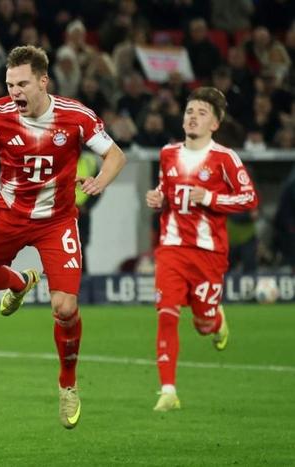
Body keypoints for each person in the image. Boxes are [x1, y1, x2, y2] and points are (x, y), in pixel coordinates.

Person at [0, 45, 127, 429]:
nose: (14, 92)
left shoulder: (75, 115)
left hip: (57, 222)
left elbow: (115, 154)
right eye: (9, 84)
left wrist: (100, 180)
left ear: (43, 81)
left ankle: (67, 384)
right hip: (9, 218)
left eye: (22, 84)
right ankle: (19, 282)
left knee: (65, 308)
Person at [145, 87, 258, 412]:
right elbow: (166, 189)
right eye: (190, 111)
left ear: (215, 124)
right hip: (171, 248)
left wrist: (209, 197)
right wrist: (158, 197)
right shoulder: (168, 153)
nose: (193, 117)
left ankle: (215, 320)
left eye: (202, 113)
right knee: (167, 313)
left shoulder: (224, 158)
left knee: (202, 324)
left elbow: (249, 198)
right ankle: (168, 391)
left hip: (209, 254)